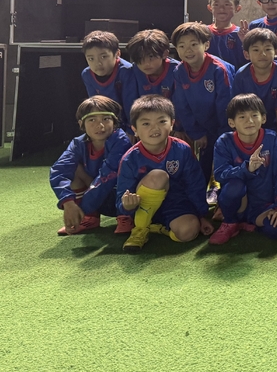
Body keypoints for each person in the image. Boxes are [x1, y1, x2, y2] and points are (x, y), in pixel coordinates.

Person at [117, 95, 214, 252]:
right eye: (146, 123)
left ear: (172, 124)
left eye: (162, 122)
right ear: (134, 129)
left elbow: (194, 183)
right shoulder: (130, 158)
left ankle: (158, 228)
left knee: (189, 232)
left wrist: (201, 215)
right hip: (144, 206)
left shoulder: (182, 149)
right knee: (158, 176)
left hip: (176, 204)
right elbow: (122, 195)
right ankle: (140, 229)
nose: (155, 128)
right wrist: (127, 205)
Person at [209, 93, 277, 245]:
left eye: (254, 115)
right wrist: (247, 168)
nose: (250, 121)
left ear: (264, 118)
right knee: (235, 186)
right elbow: (220, 174)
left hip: (264, 204)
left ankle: (247, 223)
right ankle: (230, 222)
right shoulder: (224, 141)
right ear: (231, 122)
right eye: (242, 117)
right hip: (239, 201)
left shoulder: (272, 139)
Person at [50, 96, 133, 236]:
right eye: (92, 120)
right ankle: (90, 218)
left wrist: (81, 209)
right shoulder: (78, 143)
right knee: (73, 168)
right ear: (81, 124)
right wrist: (68, 203)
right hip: (97, 196)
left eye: (106, 119)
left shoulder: (121, 141)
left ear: (115, 122)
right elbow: (59, 170)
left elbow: (108, 176)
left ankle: (125, 216)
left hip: (124, 198)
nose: (100, 126)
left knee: (123, 176)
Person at [170, 22, 234, 186]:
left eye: (193, 44)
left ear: (206, 45)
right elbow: (181, 105)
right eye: (182, 46)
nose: (188, 50)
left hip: (222, 128)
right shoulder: (179, 71)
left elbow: (226, 106)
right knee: (200, 169)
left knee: (222, 167)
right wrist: (196, 133)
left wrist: (224, 136)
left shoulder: (219, 69)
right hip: (200, 129)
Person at [232, 28, 277, 148]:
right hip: (250, 124)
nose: (263, 54)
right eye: (256, 50)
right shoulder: (241, 75)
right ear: (246, 54)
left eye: (267, 49)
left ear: (276, 52)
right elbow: (238, 109)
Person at [122, 29, 179, 120]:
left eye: (151, 57)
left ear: (164, 54)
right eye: (140, 58)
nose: (146, 63)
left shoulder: (177, 71)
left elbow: (181, 105)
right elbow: (130, 102)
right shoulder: (134, 71)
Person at [80, 30, 132, 124]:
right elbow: (96, 106)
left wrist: (130, 129)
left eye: (103, 57)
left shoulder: (126, 71)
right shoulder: (87, 75)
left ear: (117, 54)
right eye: (91, 59)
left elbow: (130, 106)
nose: (98, 63)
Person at [206, 0, 246, 69]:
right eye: (216, 5)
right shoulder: (204, 32)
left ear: (237, 8)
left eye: (227, 4)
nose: (221, 9)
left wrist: (246, 42)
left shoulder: (241, 34)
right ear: (210, 8)